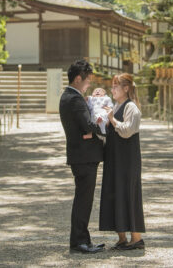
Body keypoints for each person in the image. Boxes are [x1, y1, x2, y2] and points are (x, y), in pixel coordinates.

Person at [58, 60, 105, 254]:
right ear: (78, 79)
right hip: (84, 156)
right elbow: (87, 125)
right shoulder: (75, 99)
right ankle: (79, 242)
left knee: (84, 200)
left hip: (80, 155)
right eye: (87, 81)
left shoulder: (68, 97)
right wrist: (103, 128)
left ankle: (83, 239)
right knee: (83, 201)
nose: (89, 85)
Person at [99, 73, 146, 250]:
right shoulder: (116, 105)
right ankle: (121, 237)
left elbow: (127, 131)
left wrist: (112, 119)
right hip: (115, 158)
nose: (112, 90)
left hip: (127, 160)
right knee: (115, 192)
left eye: (116, 86)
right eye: (112, 86)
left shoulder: (131, 107)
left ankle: (136, 237)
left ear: (126, 88)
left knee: (129, 193)